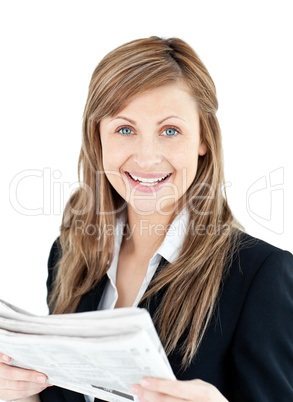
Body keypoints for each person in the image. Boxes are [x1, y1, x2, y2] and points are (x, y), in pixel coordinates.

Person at [0, 36, 292, 402]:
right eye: (125, 129)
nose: (147, 157)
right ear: (98, 138)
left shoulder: (259, 274)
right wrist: (19, 393)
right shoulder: (69, 256)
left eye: (170, 131)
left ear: (203, 139)